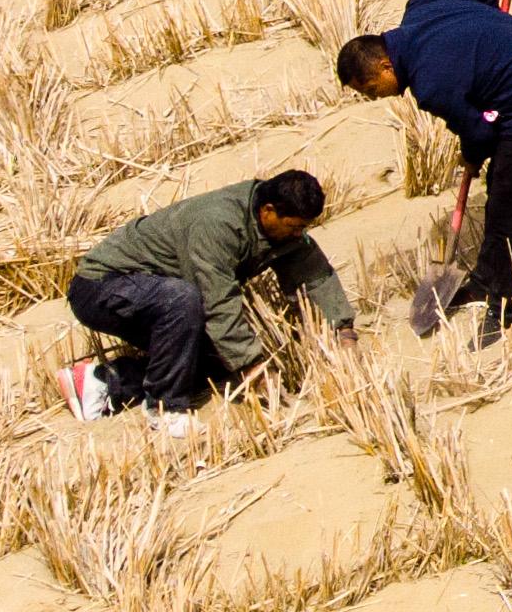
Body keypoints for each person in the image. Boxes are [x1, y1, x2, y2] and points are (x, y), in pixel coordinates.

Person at [336, 0, 512, 343]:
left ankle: (505, 304)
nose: (375, 98)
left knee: (510, 207)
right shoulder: (423, 6)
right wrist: (488, 12)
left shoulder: (430, 83)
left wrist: (471, 152)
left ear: (384, 67)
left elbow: (480, 133)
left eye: (371, 90)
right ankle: (485, 279)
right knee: (500, 190)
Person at [59, 168, 352, 423]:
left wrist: (343, 331)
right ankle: (165, 409)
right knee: (183, 299)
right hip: (101, 286)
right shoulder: (217, 224)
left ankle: (103, 382)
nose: (298, 235)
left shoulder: (281, 231)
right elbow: (217, 301)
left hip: (152, 292)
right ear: (268, 211)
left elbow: (314, 276)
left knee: (216, 364)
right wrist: (254, 368)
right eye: (294, 227)